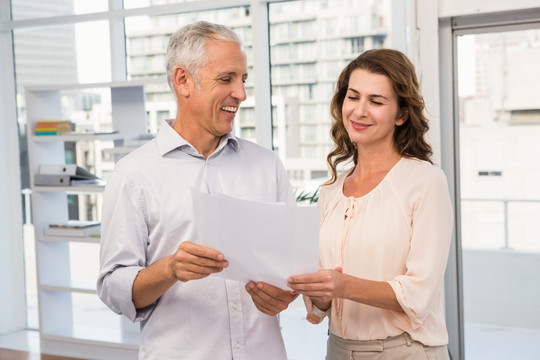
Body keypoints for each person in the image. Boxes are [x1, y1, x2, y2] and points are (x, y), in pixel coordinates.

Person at [97, 21, 297, 360]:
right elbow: (113, 288)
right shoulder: (133, 175)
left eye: (243, 79)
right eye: (226, 79)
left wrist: (286, 294)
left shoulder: (267, 166)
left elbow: (292, 263)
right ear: (183, 81)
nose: (241, 94)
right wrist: (170, 269)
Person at [287, 48, 453, 360]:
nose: (359, 111)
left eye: (376, 102)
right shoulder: (331, 191)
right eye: (353, 97)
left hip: (406, 351)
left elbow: (419, 294)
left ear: (401, 114)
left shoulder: (425, 182)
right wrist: (319, 292)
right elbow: (325, 301)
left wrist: (342, 285)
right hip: (337, 349)